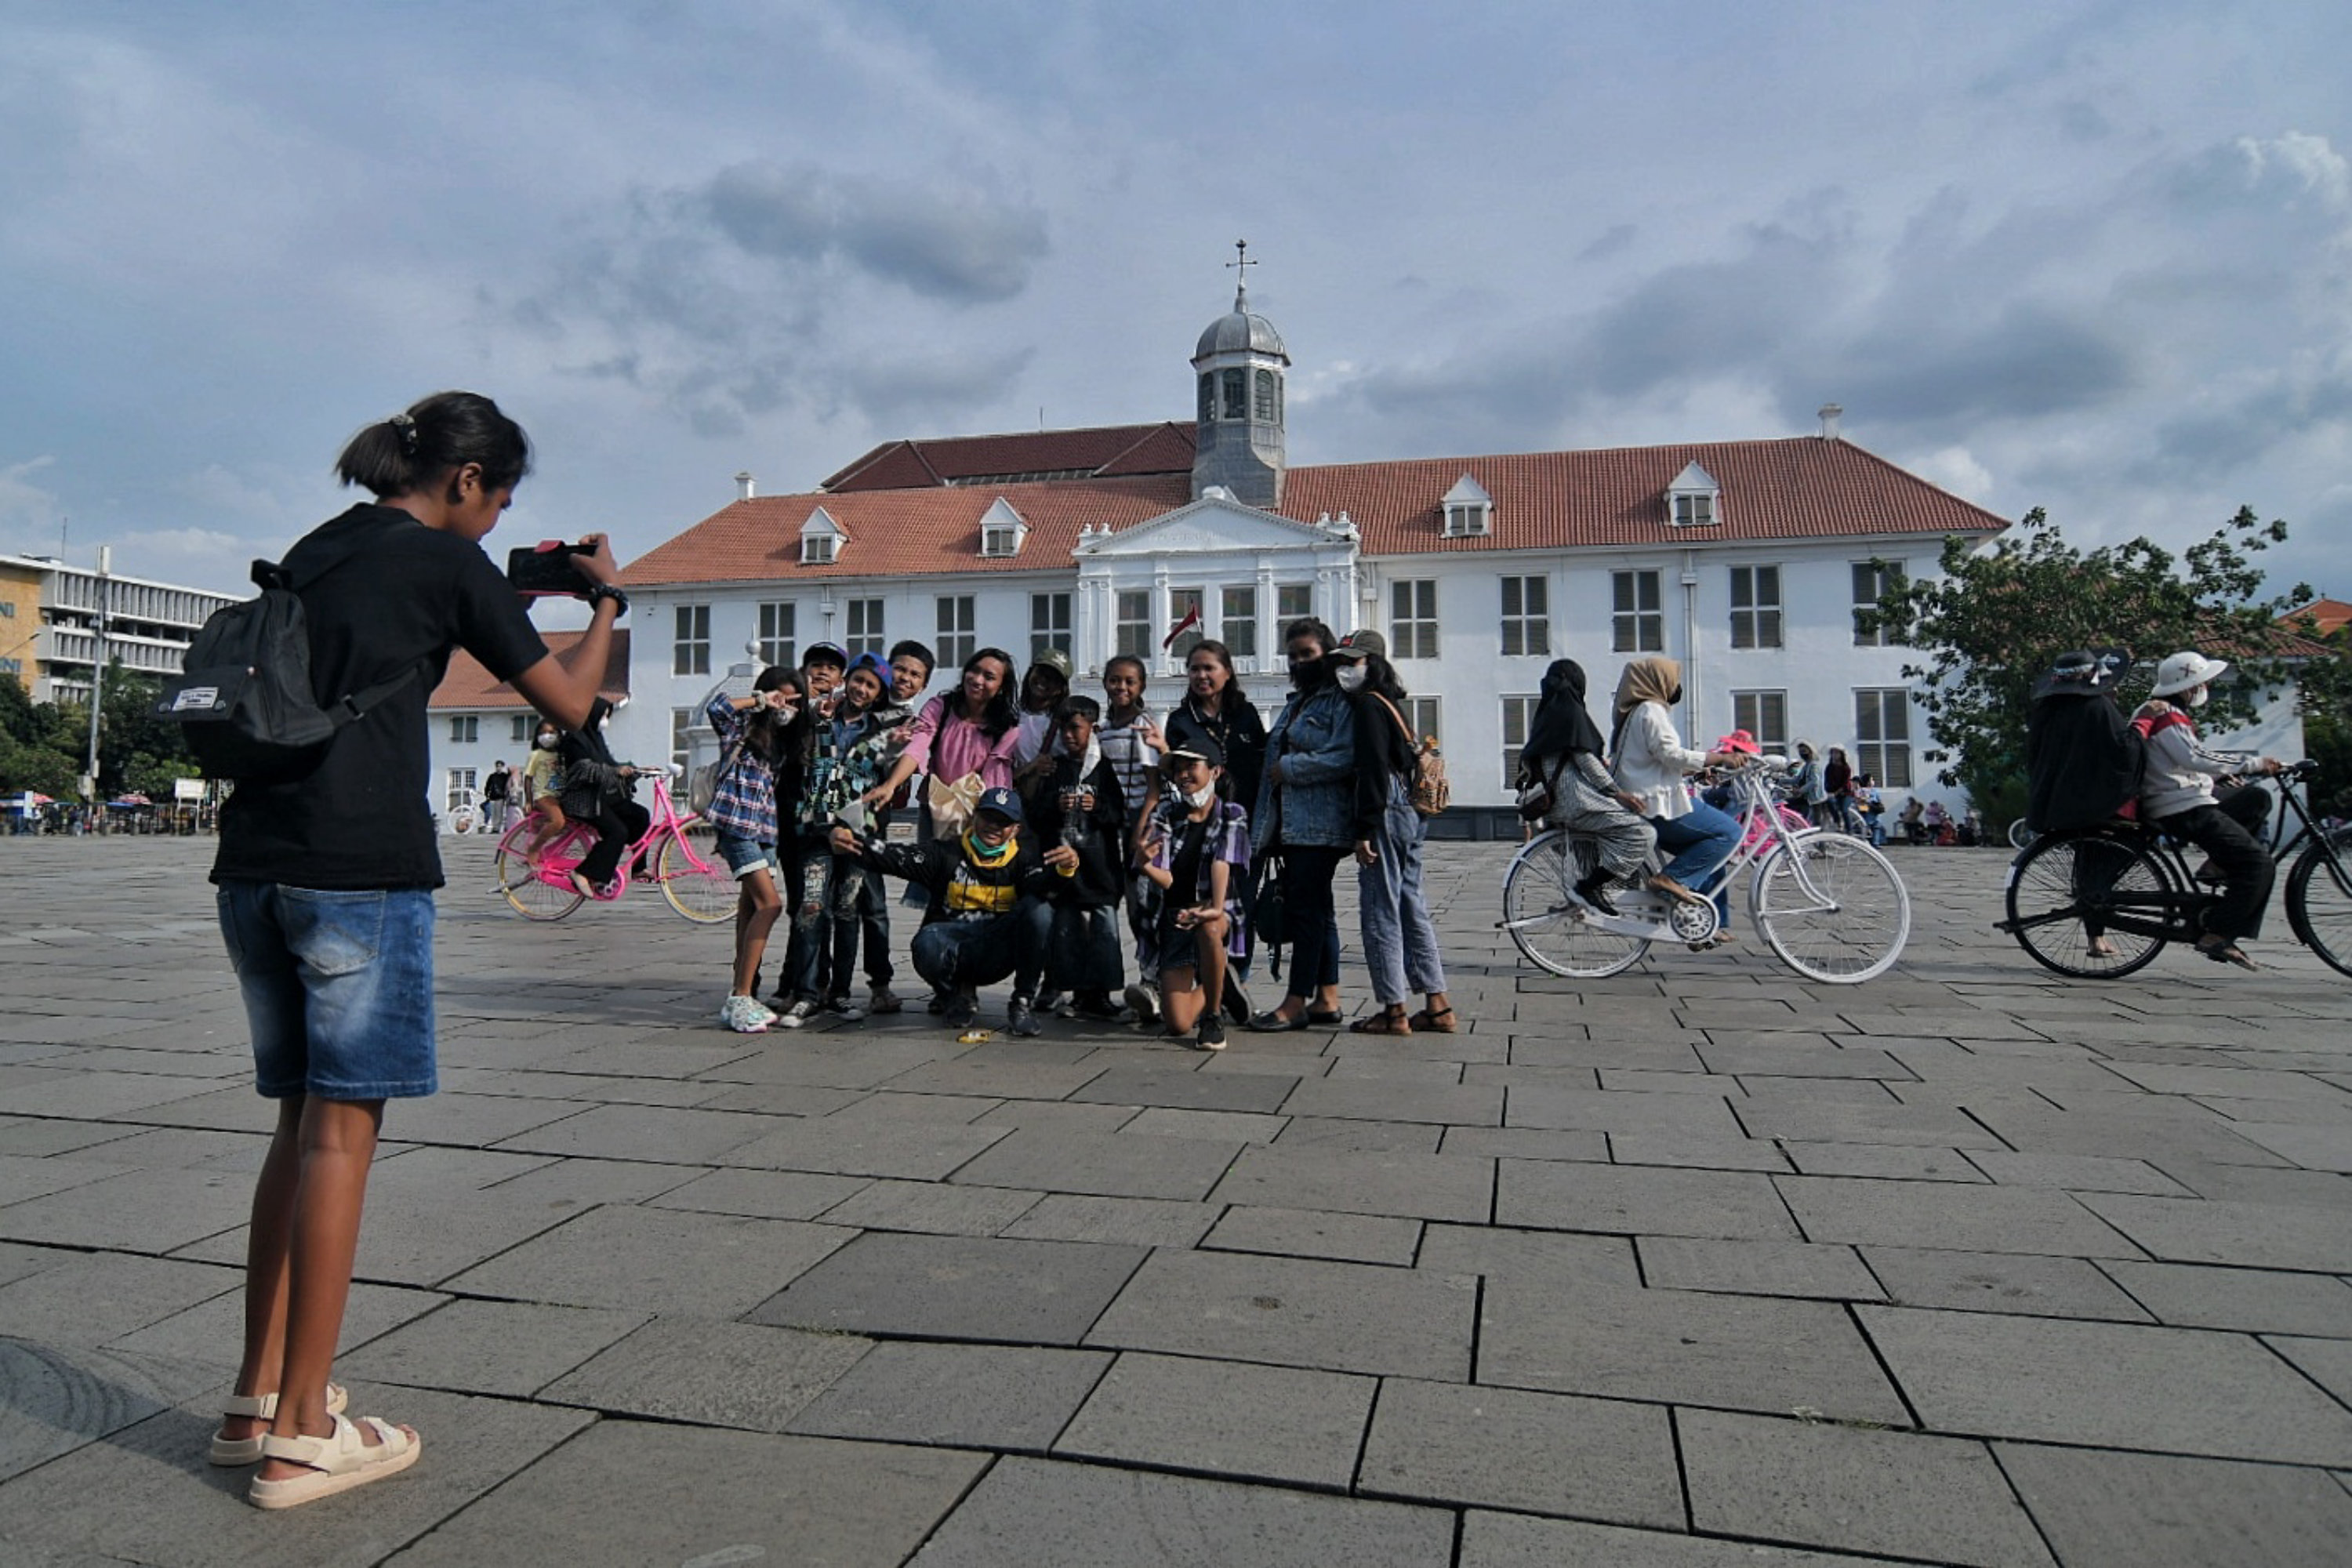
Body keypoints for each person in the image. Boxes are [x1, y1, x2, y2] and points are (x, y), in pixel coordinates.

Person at [209, 392, 627, 1508]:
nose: (493, 526)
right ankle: (306, 1437)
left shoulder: (321, 548)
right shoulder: (448, 568)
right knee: (342, 1140)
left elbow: (424, 604)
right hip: (358, 875)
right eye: (496, 502)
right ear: (467, 480)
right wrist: (606, 603)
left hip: (253, 867)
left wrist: (518, 574)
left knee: (297, 1122)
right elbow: (573, 703)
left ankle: (256, 1399)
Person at [829, 786, 1054, 1034]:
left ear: (1015, 830)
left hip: (997, 953)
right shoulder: (946, 853)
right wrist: (850, 842)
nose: (994, 827)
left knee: (1040, 912)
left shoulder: (1025, 860)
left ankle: (1022, 1003)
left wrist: (1066, 870)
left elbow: (1046, 887)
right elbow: (895, 855)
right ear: (974, 817)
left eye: (1003, 822)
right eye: (988, 818)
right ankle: (953, 996)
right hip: (953, 945)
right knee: (927, 942)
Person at [1334, 631, 1454, 1036]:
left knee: (1379, 908)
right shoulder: (1393, 705)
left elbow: (1371, 770)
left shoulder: (1368, 706)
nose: (1345, 670)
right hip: (1409, 810)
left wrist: (1364, 828)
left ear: (1372, 663)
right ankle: (1438, 1004)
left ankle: (1393, 1009)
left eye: (1352, 662)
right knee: (1410, 903)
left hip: (1384, 810)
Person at [2136, 649, 2285, 970]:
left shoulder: (2165, 713)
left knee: (2256, 799)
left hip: (2187, 796)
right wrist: (2253, 764)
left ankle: (2218, 864)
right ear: (2189, 687)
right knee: (2259, 865)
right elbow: (2194, 758)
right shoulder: (2168, 718)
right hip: (2183, 806)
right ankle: (2218, 933)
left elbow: (2188, 760)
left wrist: (2221, 774)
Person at [1248, 617, 1355, 1030]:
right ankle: (1328, 998)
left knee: (1307, 913)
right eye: (1293, 655)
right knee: (1321, 911)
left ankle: (1295, 1002)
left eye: (1307, 654)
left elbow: (1344, 756)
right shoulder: (1298, 702)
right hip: (1293, 826)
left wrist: (1290, 767)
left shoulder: (1338, 701)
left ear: (1325, 654)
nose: (1299, 661)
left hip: (1319, 824)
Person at [785, 651, 898, 1024]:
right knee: (811, 908)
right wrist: (826, 827)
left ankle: (840, 993)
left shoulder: (881, 736)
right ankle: (807, 991)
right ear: (846, 681)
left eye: (870, 685)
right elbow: (809, 782)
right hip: (817, 834)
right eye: (858, 680)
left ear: (879, 693)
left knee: (848, 912)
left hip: (857, 839)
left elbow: (885, 789)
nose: (861, 689)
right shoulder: (820, 722)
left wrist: (862, 826)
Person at [1162, 639, 1267, 1022]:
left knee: (1244, 906)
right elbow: (1178, 776)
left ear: (1227, 672)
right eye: (1194, 669)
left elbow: (1259, 766)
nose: (1202, 675)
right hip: (1198, 824)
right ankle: (1199, 980)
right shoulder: (1180, 720)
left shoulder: (1246, 715)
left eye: (1210, 668)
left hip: (1246, 823)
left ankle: (1234, 980)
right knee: (1196, 899)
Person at [1609, 656, 1743, 945]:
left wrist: (1698, 769)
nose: (1675, 686)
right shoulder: (1651, 709)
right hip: (1656, 805)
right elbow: (1670, 753)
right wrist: (1720, 757)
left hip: (1646, 801)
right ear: (1658, 681)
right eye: (1672, 679)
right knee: (1729, 832)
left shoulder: (1633, 713)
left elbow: (1650, 763)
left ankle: (1699, 924)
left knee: (1710, 852)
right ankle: (1670, 880)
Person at [705, 667, 805, 1033]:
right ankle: (743, 996)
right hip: (736, 826)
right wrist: (761, 701)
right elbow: (717, 707)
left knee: (750, 908)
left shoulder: (783, 740)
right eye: (781, 696)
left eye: (793, 699)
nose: (785, 705)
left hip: (765, 832)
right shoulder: (743, 727)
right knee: (770, 904)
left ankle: (739, 992)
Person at [1517, 658, 1657, 913]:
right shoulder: (1570, 711)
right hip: (1576, 801)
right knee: (1642, 833)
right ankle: (1590, 888)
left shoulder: (1545, 714)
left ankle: (1579, 898)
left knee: (1589, 853)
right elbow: (1584, 759)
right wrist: (1618, 793)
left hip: (1556, 806)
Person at [1136, 737, 1248, 1050]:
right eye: (1178, 768)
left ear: (1215, 771)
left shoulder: (1232, 813)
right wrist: (1144, 864)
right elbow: (1167, 878)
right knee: (1177, 1024)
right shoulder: (1166, 813)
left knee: (1211, 927)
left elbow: (1221, 860)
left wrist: (1214, 906)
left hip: (1216, 910)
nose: (1184, 774)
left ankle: (1213, 1017)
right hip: (1175, 916)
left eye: (1192, 766)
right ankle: (1221, 983)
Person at [1028, 695, 1133, 1022]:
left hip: (1100, 870)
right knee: (1068, 932)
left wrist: (1097, 808)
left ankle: (1100, 994)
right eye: (1063, 729)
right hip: (1065, 872)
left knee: (1104, 932)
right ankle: (1073, 992)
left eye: (1076, 728)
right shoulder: (1055, 770)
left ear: (1093, 729)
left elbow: (1118, 814)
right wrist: (1055, 808)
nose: (1069, 736)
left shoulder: (1103, 770)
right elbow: (1035, 817)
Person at [872, 647, 1022, 852]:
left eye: (989, 677)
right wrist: (891, 785)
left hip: (976, 814)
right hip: (933, 808)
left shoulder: (1006, 727)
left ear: (1001, 687)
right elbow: (918, 745)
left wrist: (990, 823)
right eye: (974, 671)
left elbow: (995, 778)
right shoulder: (940, 707)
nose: (978, 680)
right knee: (924, 874)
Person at [557, 696, 648, 899]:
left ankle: (639, 867)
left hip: (601, 797)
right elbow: (584, 769)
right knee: (618, 832)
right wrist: (616, 771)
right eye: (603, 715)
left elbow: (610, 764)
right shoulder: (574, 740)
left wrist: (635, 770)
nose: (605, 720)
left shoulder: (596, 739)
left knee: (640, 815)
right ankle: (583, 873)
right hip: (583, 799)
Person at [1011, 647, 1074, 795]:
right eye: (1041, 673)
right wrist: (1031, 768)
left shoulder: (1065, 721)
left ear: (1061, 688)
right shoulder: (1011, 715)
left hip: (1053, 797)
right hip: (1018, 795)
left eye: (1053, 679)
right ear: (1031, 672)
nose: (1044, 681)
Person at [521, 718, 566, 852]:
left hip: (560, 795)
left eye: (552, 732)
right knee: (558, 822)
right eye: (543, 733)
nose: (547, 736)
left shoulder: (562, 755)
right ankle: (534, 849)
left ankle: (549, 850)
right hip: (544, 796)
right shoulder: (536, 755)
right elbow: (528, 778)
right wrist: (529, 801)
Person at [481, 760, 514, 833]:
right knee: (493, 813)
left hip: (500, 797)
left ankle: (497, 828)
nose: (498, 768)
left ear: (502, 767)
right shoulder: (492, 776)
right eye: (497, 766)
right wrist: (487, 794)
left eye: (500, 766)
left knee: (499, 813)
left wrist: (510, 773)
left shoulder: (504, 776)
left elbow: (508, 783)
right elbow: (488, 785)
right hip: (493, 797)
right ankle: (494, 827)